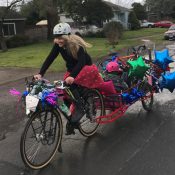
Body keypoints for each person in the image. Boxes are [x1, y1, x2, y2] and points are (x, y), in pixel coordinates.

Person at [34, 22, 94, 135]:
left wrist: (73, 76)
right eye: (56, 38)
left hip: (85, 68)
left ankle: (81, 107)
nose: (58, 40)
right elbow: (50, 58)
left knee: (71, 86)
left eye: (61, 38)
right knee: (63, 93)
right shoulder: (58, 45)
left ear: (67, 36)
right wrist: (40, 73)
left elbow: (81, 62)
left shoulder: (76, 44)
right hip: (72, 71)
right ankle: (71, 119)